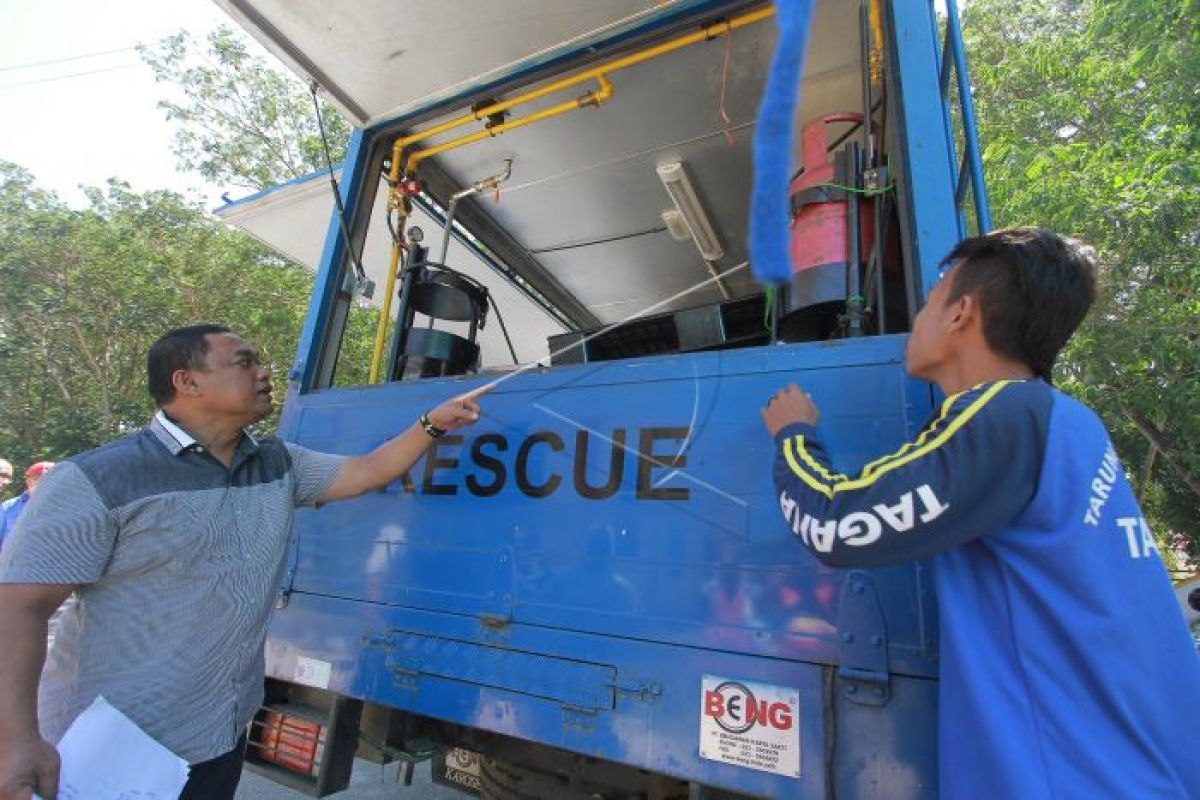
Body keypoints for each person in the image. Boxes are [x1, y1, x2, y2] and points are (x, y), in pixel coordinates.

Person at [760, 228, 1200, 798]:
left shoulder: (1002, 415)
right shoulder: (1068, 422)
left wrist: (793, 435)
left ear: (961, 313)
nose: (913, 324)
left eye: (925, 305)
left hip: (1074, 776)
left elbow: (837, 526)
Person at [0, 323, 489, 800]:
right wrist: (16, 740)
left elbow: (366, 471)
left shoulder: (278, 463)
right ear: (187, 382)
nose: (264, 372)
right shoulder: (95, 479)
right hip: (110, 750)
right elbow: (18, 610)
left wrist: (433, 422)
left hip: (219, 737)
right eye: (244, 362)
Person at [0, 462, 54, 553]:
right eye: (39, 479)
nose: (45, 484)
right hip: (13, 565)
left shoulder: (65, 507)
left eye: (51, 480)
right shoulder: (9, 507)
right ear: (28, 482)